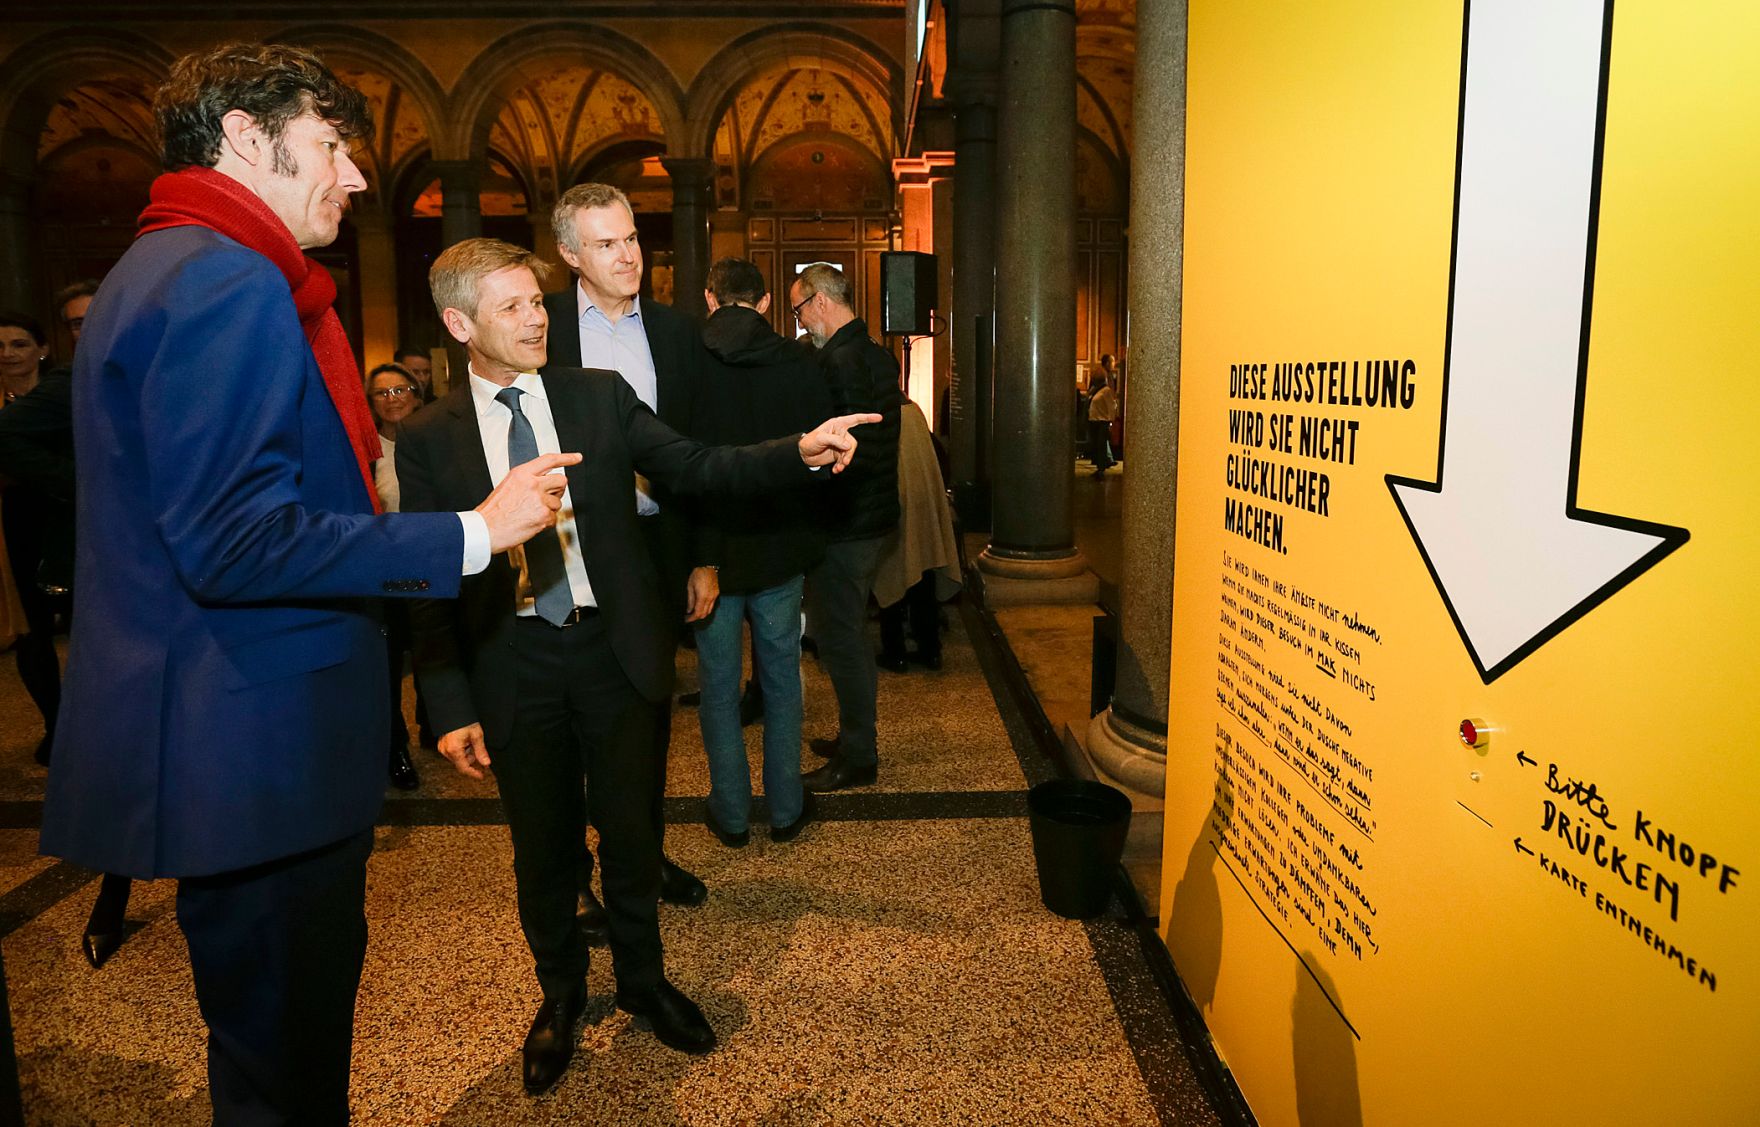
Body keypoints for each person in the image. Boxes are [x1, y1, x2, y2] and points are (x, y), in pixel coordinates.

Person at [36, 44, 575, 1124]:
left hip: (223, 741)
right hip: (254, 752)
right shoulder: (223, 277)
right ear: (246, 134)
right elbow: (233, 539)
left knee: (269, 1054)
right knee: (286, 1067)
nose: (359, 177)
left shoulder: (165, 264)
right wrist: (472, 530)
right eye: (333, 145)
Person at [397, 237, 874, 1095]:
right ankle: (560, 995)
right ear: (459, 322)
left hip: (613, 652)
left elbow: (694, 463)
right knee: (541, 848)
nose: (537, 317)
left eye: (538, 301)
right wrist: (447, 700)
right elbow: (428, 581)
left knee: (631, 831)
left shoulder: (596, 396)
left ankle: (645, 980)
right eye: (513, 306)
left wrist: (794, 450)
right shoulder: (430, 437)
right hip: (512, 660)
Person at [543, 182, 712, 932]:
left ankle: (643, 856)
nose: (628, 255)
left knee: (648, 716)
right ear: (571, 255)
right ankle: (575, 876)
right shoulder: (537, 327)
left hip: (656, 546)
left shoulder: (677, 333)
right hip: (569, 550)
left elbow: (700, 452)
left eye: (633, 238)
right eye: (607, 244)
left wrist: (703, 558)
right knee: (568, 721)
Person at [694, 257, 832, 847]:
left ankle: (729, 814)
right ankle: (785, 809)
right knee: (782, 681)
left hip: (712, 555)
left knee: (719, 690)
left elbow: (683, 468)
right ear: (767, 302)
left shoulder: (688, 362)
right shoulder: (800, 362)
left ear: (708, 298)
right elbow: (816, 458)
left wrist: (697, 557)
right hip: (779, 548)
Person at [789, 263, 901, 792]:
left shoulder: (839, 358)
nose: (800, 322)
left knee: (841, 639)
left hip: (849, 524)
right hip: (872, 518)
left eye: (799, 309)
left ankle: (859, 755)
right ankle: (854, 736)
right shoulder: (875, 352)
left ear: (820, 301)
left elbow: (844, 451)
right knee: (844, 634)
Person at [0, 312, 61, 767]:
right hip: (13, 522)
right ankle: (54, 723)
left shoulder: (62, 393)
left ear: (40, 348)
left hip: (68, 518)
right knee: (31, 629)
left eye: (18, 344)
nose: (7, 354)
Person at [367, 361, 430, 789]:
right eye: (382, 393)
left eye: (400, 389)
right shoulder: (365, 448)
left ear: (416, 392)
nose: (392, 399)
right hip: (386, 568)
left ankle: (439, 723)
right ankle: (396, 747)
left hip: (433, 560)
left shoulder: (435, 438)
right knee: (389, 665)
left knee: (436, 649)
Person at [874, 394, 961, 672]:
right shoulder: (912, 410)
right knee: (923, 575)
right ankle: (929, 648)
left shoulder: (875, 412)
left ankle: (895, 652)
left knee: (891, 574)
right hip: (922, 503)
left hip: (891, 505)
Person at [1087, 369, 1119, 474]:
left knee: (1101, 445)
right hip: (1094, 421)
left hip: (1102, 421)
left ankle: (1101, 468)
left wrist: (1111, 422)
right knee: (1096, 445)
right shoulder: (1094, 390)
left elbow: (1111, 407)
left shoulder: (1106, 391)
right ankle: (1099, 466)